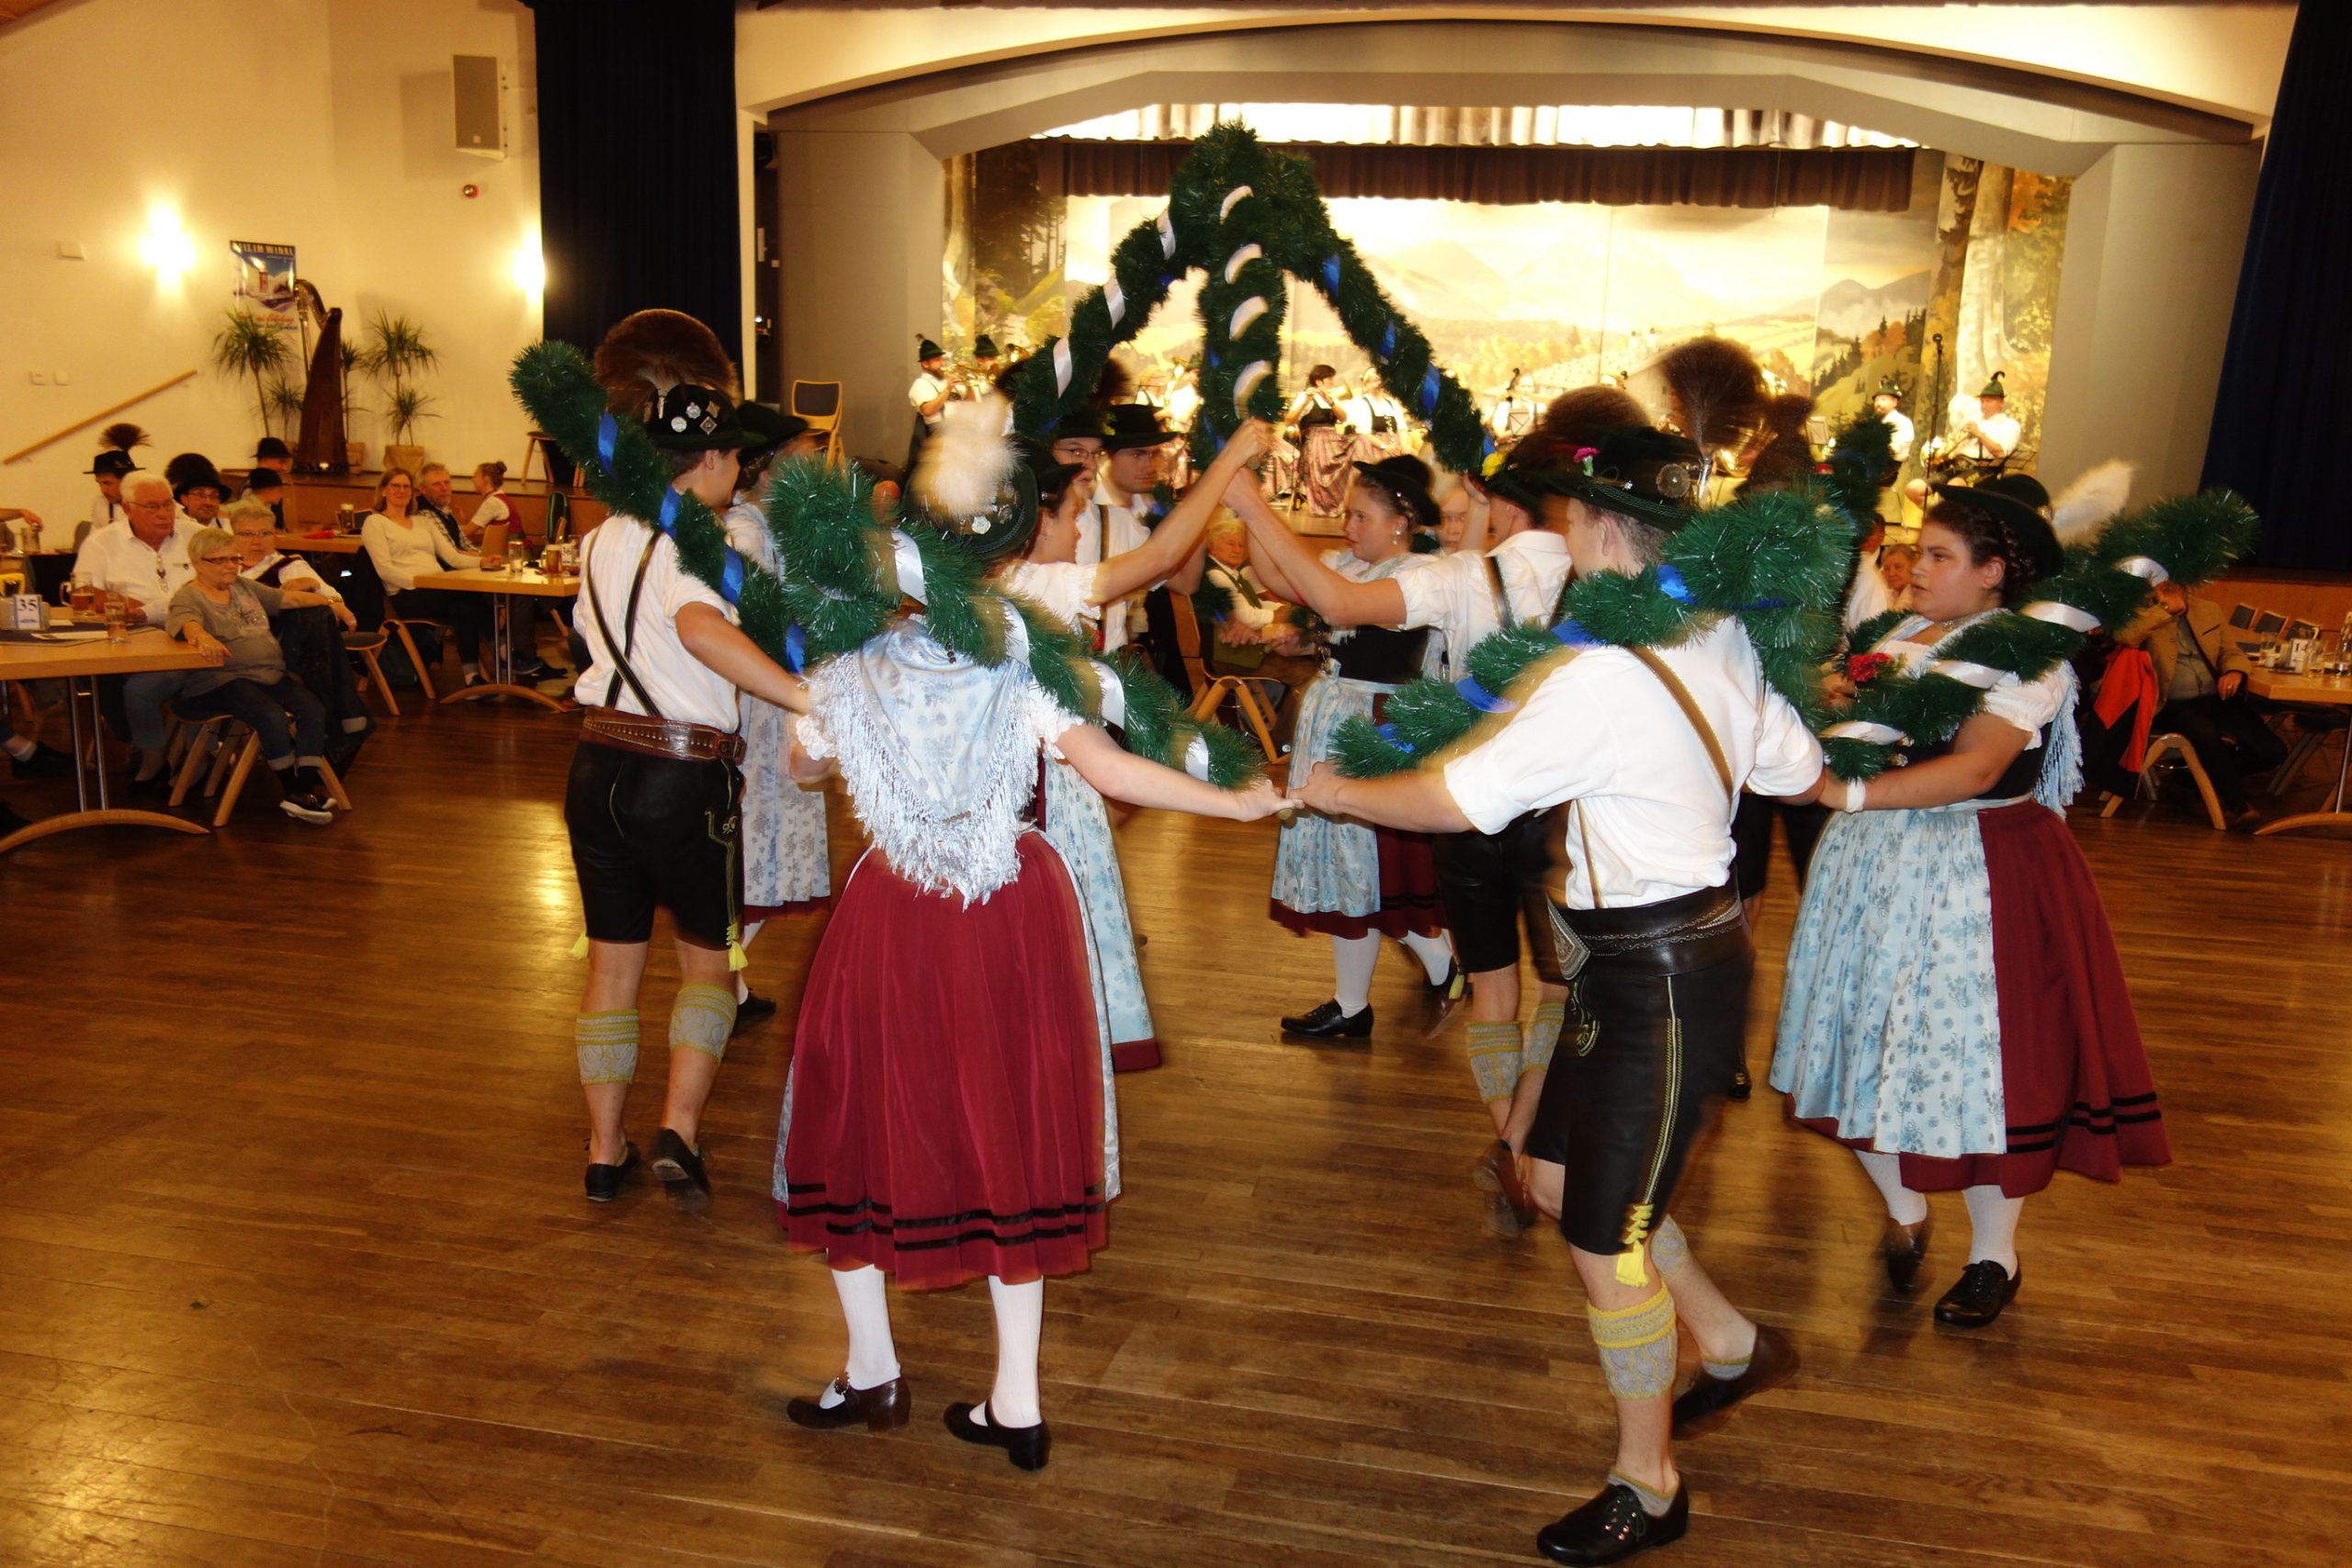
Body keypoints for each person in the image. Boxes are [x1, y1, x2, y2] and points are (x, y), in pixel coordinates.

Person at [1293, 424, 1826, 1564]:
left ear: (1591, 528)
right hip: (1629, 964)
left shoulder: (1600, 674)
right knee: (1549, 1180)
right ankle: (1730, 1341)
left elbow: (1461, 801)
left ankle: (1651, 1482)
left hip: (1666, 981)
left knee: (1604, 1238)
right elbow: (1792, 769)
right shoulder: (1718, 630)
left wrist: (1338, 791)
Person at [774, 400, 1282, 1473]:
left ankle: (871, 1368)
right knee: (1011, 1126)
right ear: (1004, 554)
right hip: (1012, 909)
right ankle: (1015, 1399)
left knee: (859, 1121)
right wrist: (1234, 805)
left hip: (894, 914)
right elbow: (1111, 766)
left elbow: (802, 763)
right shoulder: (1022, 663)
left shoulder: (853, 666)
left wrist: (840, 713)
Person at [1772, 480, 2170, 1333]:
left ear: (1993, 572)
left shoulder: (2027, 656)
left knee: (1979, 1066)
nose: (1914, 567)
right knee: (1867, 1039)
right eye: (1917, 550)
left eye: (1940, 555)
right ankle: (1906, 1210)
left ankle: (1995, 1256)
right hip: (1871, 866)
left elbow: (1978, 766)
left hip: (1975, 871)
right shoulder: (1897, 636)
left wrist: (1841, 792)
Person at [1232, 437, 1585, 1232]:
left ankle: (1509, 1136)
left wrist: (1250, 501)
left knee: (1494, 987)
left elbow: (1337, 602)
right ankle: (1521, 1139)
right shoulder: (1607, 577)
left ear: (1503, 505)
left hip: (1469, 793)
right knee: (1558, 989)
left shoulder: (1464, 575)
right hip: (1560, 810)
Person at [564, 309, 811, 1210]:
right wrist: (803, 697)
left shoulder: (600, 537)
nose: (740, 469)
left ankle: (604, 1150)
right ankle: (680, 1128)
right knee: (707, 965)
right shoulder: (698, 543)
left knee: (611, 967)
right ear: (706, 460)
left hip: (595, 767)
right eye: (733, 457)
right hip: (681, 775)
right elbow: (702, 631)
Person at [998, 422, 1266, 1074]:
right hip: (1044, 787)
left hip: (1022, 780)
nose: (1079, 531)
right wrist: (1228, 458)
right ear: (1037, 524)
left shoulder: (1002, 587)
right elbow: (1161, 555)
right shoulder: (1034, 586)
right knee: (1050, 927)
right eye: (1072, 517)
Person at [1234, 453, 1456, 1041]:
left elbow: (1336, 606)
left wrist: (1253, 505)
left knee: (1362, 863)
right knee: (1352, 863)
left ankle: (1360, 1003)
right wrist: (1251, 511)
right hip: (1334, 717)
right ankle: (1433, 968)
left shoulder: (1421, 577)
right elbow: (1276, 574)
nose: (1348, 526)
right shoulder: (1350, 567)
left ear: (1400, 521)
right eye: (1349, 515)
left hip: (1376, 727)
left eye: (1361, 516)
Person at [720, 402, 834, 1037]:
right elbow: (749, 624)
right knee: (755, 851)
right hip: (763, 708)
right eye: (801, 454)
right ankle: (719, 984)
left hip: (780, 701)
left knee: (764, 852)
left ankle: (728, 985)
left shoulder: (770, 526)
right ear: (766, 467)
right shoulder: (746, 533)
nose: (813, 463)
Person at [165, 525, 340, 824]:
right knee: (271, 716)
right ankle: (292, 791)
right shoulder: (188, 597)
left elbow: (288, 599)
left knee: (313, 709)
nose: (230, 566)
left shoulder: (244, 587)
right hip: (222, 679)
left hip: (268, 673)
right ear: (197, 564)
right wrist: (203, 637)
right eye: (220, 560)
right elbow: (187, 623)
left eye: (234, 559)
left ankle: (304, 789)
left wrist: (333, 604)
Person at [2114, 577, 2284, 831]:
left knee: (2271, 750)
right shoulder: (2141, 612)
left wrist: (2234, 671)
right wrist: (2163, 609)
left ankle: (2187, 780)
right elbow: (2125, 636)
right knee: (2205, 734)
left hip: (2214, 697)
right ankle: (2239, 807)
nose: (2171, 585)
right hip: (2167, 702)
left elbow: (2231, 651)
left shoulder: (2208, 609)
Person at [73, 470, 202, 785]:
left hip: (194, 637)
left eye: (168, 504)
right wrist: (128, 605)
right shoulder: (102, 542)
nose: (164, 514)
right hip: (133, 638)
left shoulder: (196, 536)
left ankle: (190, 755)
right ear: (128, 509)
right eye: (152, 507)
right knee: (109, 677)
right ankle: (148, 750)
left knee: (154, 685)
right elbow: (84, 592)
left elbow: (223, 583)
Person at [225, 498, 372, 772]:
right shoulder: (221, 567)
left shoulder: (289, 565)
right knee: (315, 615)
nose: (256, 541)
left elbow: (332, 597)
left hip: (287, 655)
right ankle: (345, 708)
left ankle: (332, 718)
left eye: (264, 533)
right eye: (247, 534)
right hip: (239, 652)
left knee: (317, 614)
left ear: (275, 536)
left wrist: (312, 585)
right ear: (232, 536)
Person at [361, 468, 493, 686]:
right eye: (396, 486)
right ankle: (504, 651)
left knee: (466, 606)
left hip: (438, 589)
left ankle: (472, 677)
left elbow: (452, 557)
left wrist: (482, 562)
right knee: (469, 595)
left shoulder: (423, 522)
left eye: (406, 487)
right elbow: (384, 569)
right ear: (383, 490)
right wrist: (420, 582)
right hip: (407, 593)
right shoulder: (375, 523)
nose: (402, 491)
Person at [1284, 366, 1351, 518]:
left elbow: (1343, 418)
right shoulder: (1305, 396)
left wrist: (1330, 402)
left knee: (1359, 444)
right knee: (1322, 450)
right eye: (1329, 378)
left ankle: (1344, 501)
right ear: (1318, 381)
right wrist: (1305, 402)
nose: (1333, 382)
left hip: (1333, 438)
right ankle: (1326, 502)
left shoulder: (1332, 398)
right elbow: (1288, 421)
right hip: (1314, 437)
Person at [903, 335, 950, 475]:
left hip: (954, 434)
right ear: (925, 364)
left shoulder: (944, 381)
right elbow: (928, 410)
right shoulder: (921, 385)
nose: (942, 363)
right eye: (937, 360)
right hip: (937, 437)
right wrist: (948, 390)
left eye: (941, 359)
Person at [83, 450, 134, 547]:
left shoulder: (147, 504)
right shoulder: (101, 504)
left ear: (127, 480)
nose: (103, 490)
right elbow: (95, 543)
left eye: (107, 483)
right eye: (99, 483)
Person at [1488, 369, 1539, 447]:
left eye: (1529, 387)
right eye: (1523, 386)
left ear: (1533, 389)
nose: (1526, 390)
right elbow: (1499, 434)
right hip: (1508, 450)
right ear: (1516, 387)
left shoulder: (1536, 408)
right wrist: (1515, 431)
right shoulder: (1505, 406)